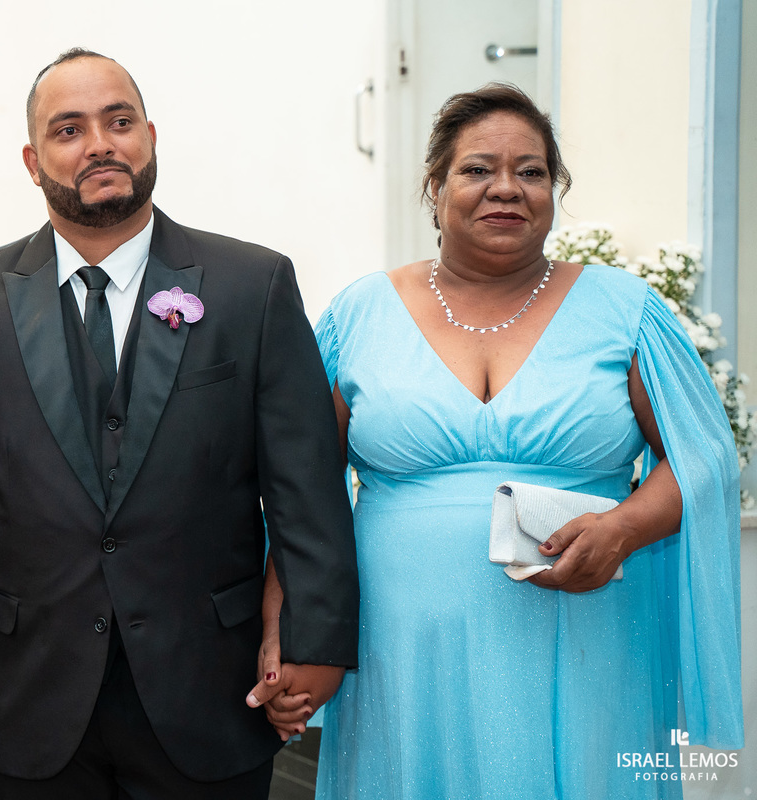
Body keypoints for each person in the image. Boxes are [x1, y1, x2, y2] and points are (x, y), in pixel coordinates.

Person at [0, 48, 360, 798]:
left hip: (213, 693)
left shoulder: (254, 285)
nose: (100, 144)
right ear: (33, 162)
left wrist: (312, 641)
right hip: (21, 699)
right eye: (69, 130)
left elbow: (307, 493)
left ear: (151, 136)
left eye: (119, 122)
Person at [260, 82, 744, 799]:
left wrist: (623, 528)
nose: (507, 188)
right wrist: (281, 630)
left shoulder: (628, 310)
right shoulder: (359, 314)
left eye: (532, 171)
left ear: (554, 191)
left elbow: (704, 460)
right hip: (400, 646)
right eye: (478, 169)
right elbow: (302, 493)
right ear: (435, 188)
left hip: (587, 636)